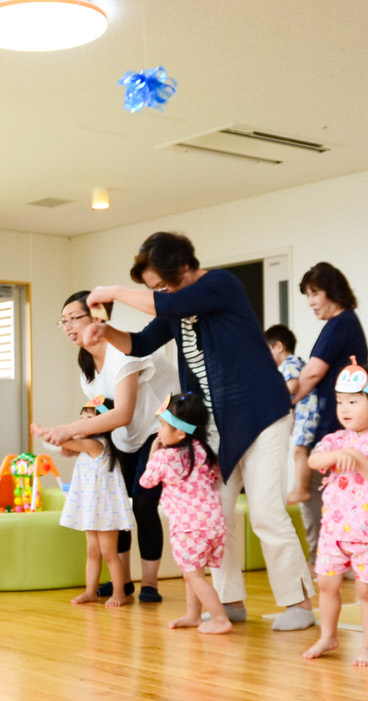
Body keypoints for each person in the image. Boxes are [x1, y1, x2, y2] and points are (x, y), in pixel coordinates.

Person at [88, 233, 315, 630]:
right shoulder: (174, 307)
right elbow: (140, 344)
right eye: (154, 288)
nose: (160, 293)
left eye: (162, 283)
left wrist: (112, 292)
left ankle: (298, 604)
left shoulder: (220, 284)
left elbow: (170, 303)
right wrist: (105, 333)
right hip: (215, 426)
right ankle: (228, 602)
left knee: (265, 512)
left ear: (184, 269)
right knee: (212, 515)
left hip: (260, 415)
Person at [37, 291, 176, 602]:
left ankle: (150, 584)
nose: (69, 326)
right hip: (122, 435)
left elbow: (123, 411)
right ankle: (121, 583)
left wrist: (68, 430)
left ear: (98, 317)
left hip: (157, 429)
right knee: (117, 505)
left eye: (75, 318)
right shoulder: (86, 360)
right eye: (64, 321)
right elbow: (103, 413)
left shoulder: (122, 350)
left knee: (142, 503)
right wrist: (75, 443)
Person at [302, 360, 368, 667]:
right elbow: (313, 461)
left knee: (366, 590)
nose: (344, 408)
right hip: (334, 531)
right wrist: (340, 454)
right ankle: (328, 636)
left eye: (353, 401)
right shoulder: (335, 439)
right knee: (327, 584)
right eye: (340, 401)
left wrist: (357, 458)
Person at [288, 262, 368, 560]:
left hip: (332, 422)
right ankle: (331, 557)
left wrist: (287, 401)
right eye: (307, 295)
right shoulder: (346, 322)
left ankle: (322, 558)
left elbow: (312, 373)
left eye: (315, 293)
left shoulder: (339, 323)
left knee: (315, 489)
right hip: (338, 418)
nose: (311, 302)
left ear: (332, 292)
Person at [140, 393, 232, 634]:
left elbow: (146, 482)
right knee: (193, 572)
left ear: (180, 433)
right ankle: (193, 615)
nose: (159, 431)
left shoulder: (163, 457)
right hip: (213, 524)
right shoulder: (202, 450)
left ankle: (220, 619)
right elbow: (214, 475)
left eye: (162, 426)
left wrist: (152, 454)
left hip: (188, 529)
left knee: (194, 576)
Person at [36, 397, 132, 608]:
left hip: (104, 510)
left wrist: (44, 432)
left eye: (89, 419)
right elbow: (65, 447)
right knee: (93, 551)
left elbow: (65, 442)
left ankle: (120, 592)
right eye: (81, 418)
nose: (82, 423)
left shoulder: (96, 444)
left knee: (109, 553)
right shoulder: (88, 444)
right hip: (92, 508)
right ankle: (90, 591)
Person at [266, 324, 320, 507]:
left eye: (268, 350)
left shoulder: (288, 363)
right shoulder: (292, 362)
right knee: (299, 450)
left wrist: (278, 401)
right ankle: (299, 489)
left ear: (279, 347)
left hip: (308, 412)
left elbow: (293, 385)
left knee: (300, 450)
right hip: (304, 412)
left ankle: (301, 489)